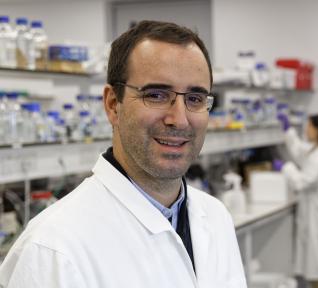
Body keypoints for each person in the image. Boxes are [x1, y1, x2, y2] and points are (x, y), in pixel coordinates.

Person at [0, 21, 246, 287]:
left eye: (195, 99)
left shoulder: (215, 216)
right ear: (112, 104)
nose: (180, 119)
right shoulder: (53, 248)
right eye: (156, 95)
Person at [274, 114, 318, 288]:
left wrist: (285, 168)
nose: (306, 129)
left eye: (309, 126)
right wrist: (288, 130)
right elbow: (299, 151)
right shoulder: (317, 150)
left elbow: (301, 182)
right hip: (316, 214)